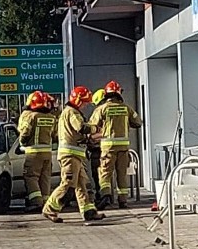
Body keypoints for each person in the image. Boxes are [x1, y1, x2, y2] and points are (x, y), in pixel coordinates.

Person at [43, 86, 105, 223]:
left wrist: (89, 138)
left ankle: (88, 211)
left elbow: (76, 134)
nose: (85, 105)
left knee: (82, 184)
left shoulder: (70, 112)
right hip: (70, 156)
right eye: (84, 102)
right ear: (78, 100)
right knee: (68, 183)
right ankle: (50, 209)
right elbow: (81, 127)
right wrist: (96, 128)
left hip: (75, 155)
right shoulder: (72, 113)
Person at [90, 80, 142, 210]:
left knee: (105, 173)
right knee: (122, 174)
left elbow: (91, 127)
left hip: (108, 148)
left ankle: (106, 196)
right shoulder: (126, 108)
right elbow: (138, 122)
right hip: (123, 149)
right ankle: (123, 201)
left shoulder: (101, 109)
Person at [17, 90, 57, 211]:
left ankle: (36, 202)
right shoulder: (51, 117)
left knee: (31, 176)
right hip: (47, 153)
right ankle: (45, 202)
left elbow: (25, 133)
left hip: (34, 152)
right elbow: (55, 135)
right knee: (45, 178)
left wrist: (22, 142)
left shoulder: (31, 116)